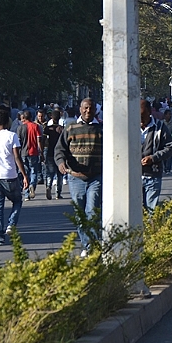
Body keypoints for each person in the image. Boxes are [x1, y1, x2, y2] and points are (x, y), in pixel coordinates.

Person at [55, 98, 103, 257]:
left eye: (91, 109)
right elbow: (59, 150)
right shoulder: (70, 128)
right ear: (80, 109)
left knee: (92, 211)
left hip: (95, 176)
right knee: (80, 214)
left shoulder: (101, 128)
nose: (88, 111)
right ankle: (86, 244)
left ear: (95, 110)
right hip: (75, 177)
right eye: (85, 108)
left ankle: (93, 246)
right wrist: (61, 162)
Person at [0, 110, 29, 246]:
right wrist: (24, 175)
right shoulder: (12, 136)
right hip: (10, 175)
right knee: (17, 201)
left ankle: (0, 236)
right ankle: (11, 225)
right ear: (8, 122)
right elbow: (17, 157)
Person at [140, 99, 172, 213]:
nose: (140, 119)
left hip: (153, 175)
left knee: (151, 211)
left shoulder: (160, 127)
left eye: (142, 115)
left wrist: (153, 158)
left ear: (149, 112)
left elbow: (170, 147)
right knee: (135, 212)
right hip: (133, 177)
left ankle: (152, 230)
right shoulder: (129, 127)